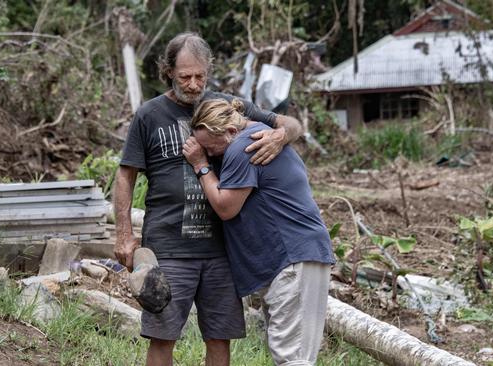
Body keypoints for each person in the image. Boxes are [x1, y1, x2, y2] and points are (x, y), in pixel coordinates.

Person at [113, 32, 302, 366]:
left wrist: (280, 136)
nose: (193, 84)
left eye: (200, 76)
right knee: (162, 336)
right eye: (185, 76)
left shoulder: (230, 108)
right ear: (168, 71)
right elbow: (125, 175)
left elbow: (291, 123)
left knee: (219, 336)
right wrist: (124, 234)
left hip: (222, 249)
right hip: (169, 248)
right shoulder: (149, 114)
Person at [182, 98, 335, 366]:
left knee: (293, 358)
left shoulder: (243, 147)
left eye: (211, 148)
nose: (211, 154)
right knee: (289, 352)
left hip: (292, 257)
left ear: (229, 132)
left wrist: (200, 165)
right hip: (296, 257)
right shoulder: (258, 132)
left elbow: (226, 207)